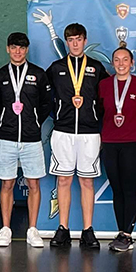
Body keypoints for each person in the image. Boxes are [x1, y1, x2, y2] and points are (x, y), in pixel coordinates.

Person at [46, 23, 109, 248]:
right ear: (66, 42)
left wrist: (94, 115)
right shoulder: (56, 68)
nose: (75, 44)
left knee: (86, 181)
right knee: (63, 180)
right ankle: (63, 229)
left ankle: (87, 230)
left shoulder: (96, 67)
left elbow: (107, 97)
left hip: (89, 132)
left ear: (84, 41)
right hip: (62, 131)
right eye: (71, 40)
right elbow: (43, 96)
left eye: (78, 39)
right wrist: (57, 114)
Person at [0, 32, 51, 248]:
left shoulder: (38, 74)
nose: (18, 51)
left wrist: (33, 122)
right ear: (8, 49)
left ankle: (32, 230)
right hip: (7, 137)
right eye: (14, 47)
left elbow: (46, 103)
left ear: (27, 50)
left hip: (31, 139)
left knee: (33, 183)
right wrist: (5, 120)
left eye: (22, 48)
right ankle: (6, 229)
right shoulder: (0, 75)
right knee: (7, 183)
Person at [98, 46, 136, 252]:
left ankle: (128, 235)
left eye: (125, 60)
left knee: (129, 189)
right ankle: (121, 231)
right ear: (112, 63)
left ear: (132, 63)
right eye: (117, 60)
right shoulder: (104, 85)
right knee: (117, 189)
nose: (121, 64)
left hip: (133, 144)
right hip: (110, 144)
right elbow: (99, 111)